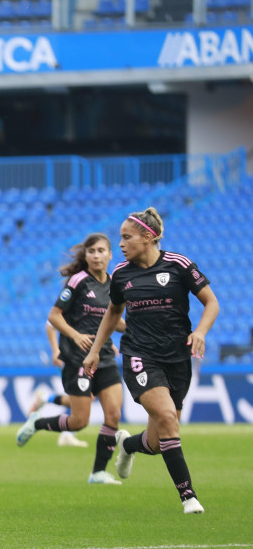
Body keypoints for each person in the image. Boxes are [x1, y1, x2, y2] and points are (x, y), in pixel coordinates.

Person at [83, 207, 218, 514]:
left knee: (157, 442)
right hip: (140, 356)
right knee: (168, 417)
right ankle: (188, 497)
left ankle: (128, 446)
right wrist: (95, 350)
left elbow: (211, 302)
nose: (120, 243)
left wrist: (200, 331)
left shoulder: (179, 265)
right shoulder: (120, 274)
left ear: (147, 237)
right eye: (120, 237)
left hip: (177, 359)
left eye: (126, 237)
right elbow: (113, 314)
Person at [17, 233, 127, 485]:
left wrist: (135, 330)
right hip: (79, 359)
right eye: (91, 251)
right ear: (86, 256)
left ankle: (98, 472)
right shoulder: (78, 281)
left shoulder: (115, 284)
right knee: (79, 422)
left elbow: (113, 321)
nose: (96, 255)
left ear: (110, 255)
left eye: (101, 251)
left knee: (113, 415)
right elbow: (54, 316)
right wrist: (75, 336)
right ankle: (38, 422)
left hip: (105, 356)